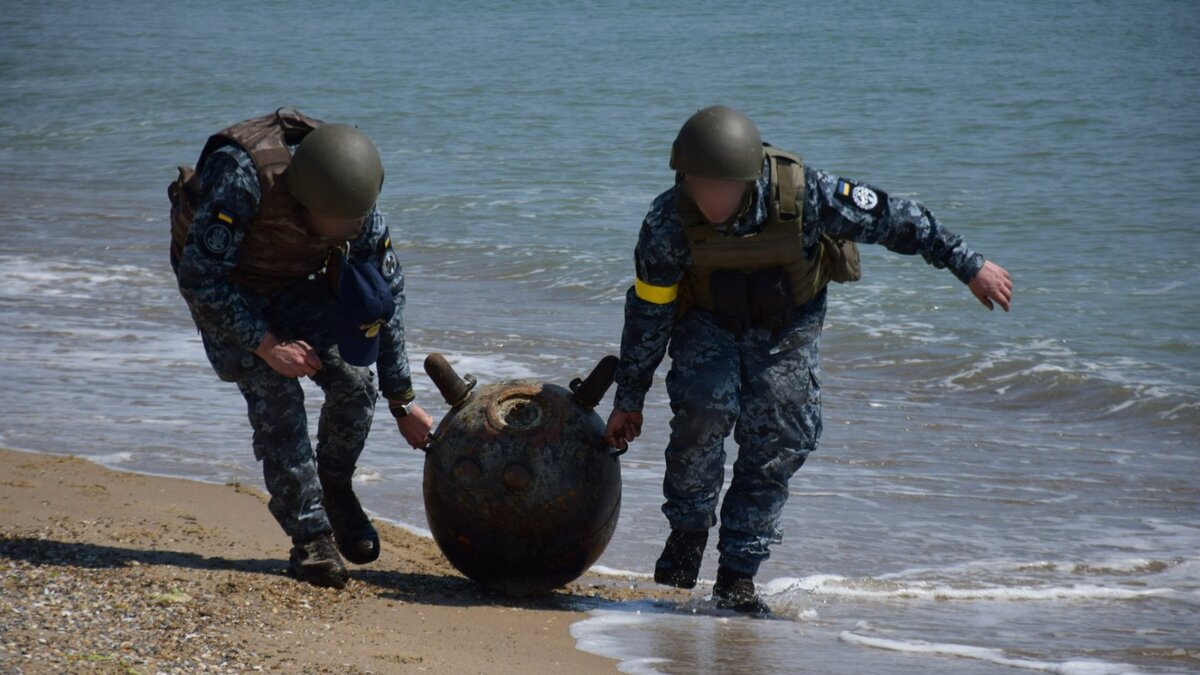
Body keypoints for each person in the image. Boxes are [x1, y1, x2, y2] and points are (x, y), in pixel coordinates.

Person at [604, 106, 1012, 614]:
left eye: (723, 187)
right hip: (706, 320)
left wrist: (968, 264)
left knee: (779, 432)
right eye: (700, 185)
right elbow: (648, 314)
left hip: (786, 324)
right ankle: (687, 533)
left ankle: (737, 575)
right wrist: (629, 397)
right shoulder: (667, 222)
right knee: (704, 408)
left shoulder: (804, 195)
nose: (711, 198)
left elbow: (893, 218)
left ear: (748, 180)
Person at [168, 109, 434, 589]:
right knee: (278, 391)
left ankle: (334, 488)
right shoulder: (243, 176)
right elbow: (199, 278)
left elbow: (384, 299)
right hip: (226, 289)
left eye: (352, 222)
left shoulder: (356, 206)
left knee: (356, 384)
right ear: (302, 198)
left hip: (291, 282)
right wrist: (268, 346)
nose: (346, 229)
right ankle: (311, 539)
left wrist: (403, 401)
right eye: (335, 222)